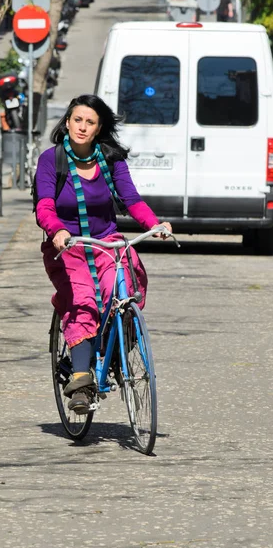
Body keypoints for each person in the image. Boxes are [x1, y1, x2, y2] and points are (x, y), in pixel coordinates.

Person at [34, 94, 172, 415]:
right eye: (77, 120)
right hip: (66, 245)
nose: (82, 127)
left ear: (99, 129)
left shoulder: (111, 160)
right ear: (67, 122)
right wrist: (57, 231)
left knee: (127, 288)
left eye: (90, 122)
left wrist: (155, 224)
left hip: (106, 242)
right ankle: (81, 382)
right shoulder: (51, 160)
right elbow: (44, 205)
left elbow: (132, 200)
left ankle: (111, 355)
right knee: (82, 299)